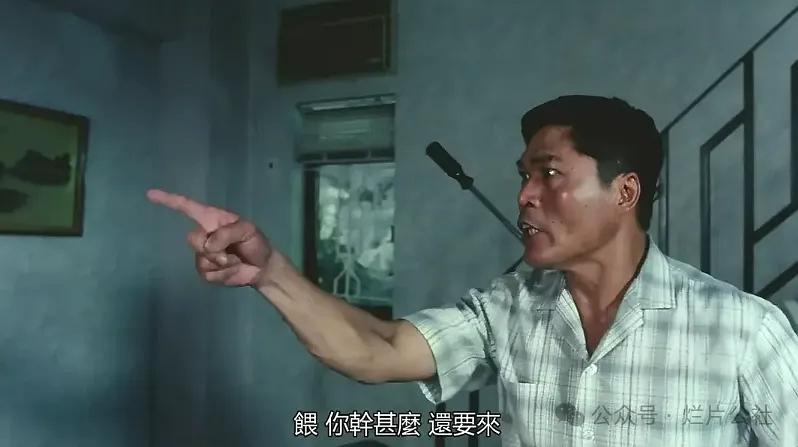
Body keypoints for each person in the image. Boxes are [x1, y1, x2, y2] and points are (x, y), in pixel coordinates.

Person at [147, 95, 798, 446]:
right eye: (523, 177)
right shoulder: (509, 306)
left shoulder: (746, 330)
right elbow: (377, 350)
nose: (525, 195)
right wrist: (269, 273)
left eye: (549, 174)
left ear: (625, 192)